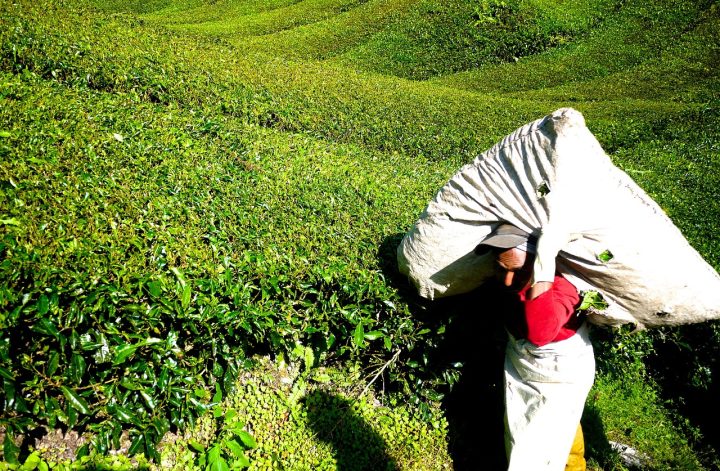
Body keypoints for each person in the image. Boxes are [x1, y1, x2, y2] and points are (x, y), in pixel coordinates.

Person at [475, 223, 595, 471]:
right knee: (526, 427)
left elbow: (540, 334)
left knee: (560, 433)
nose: (508, 281)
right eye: (501, 269)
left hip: (559, 371)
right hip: (524, 366)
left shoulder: (563, 288)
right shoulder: (509, 279)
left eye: (517, 272)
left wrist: (543, 267)